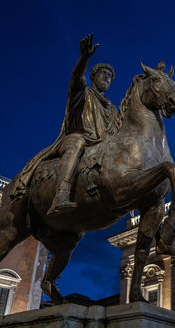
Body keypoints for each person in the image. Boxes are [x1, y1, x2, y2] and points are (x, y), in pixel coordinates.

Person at [11, 33, 117, 218]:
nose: (107, 78)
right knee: (77, 143)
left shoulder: (112, 108)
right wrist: (84, 58)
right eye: (104, 74)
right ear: (93, 76)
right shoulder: (82, 93)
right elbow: (76, 77)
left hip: (100, 144)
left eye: (110, 77)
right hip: (75, 138)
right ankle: (61, 195)